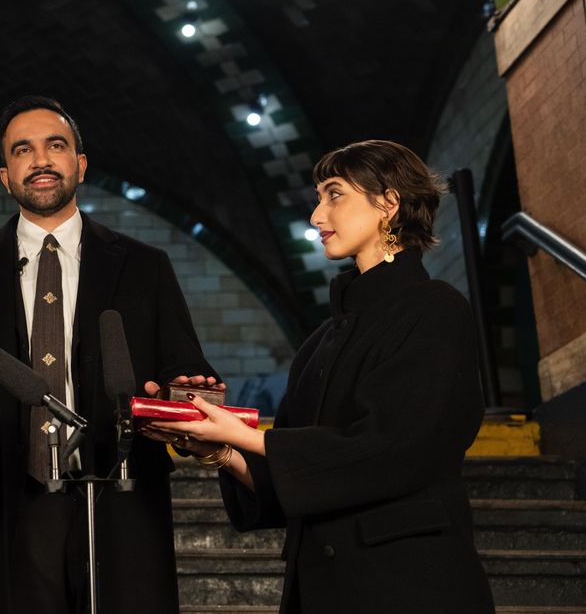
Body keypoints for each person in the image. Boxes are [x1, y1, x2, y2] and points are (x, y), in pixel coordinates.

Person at [0, 96, 219, 613]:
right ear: (5, 177)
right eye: (22, 150)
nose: (40, 159)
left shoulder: (146, 268)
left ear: (80, 163)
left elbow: (184, 374)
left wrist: (185, 399)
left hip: (116, 503)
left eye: (56, 145)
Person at [145, 140, 495, 613]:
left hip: (409, 586)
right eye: (319, 197)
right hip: (320, 591)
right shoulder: (318, 344)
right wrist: (219, 447)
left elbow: (392, 449)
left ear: (388, 203)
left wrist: (246, 437)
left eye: (334, 195)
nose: (316, 216)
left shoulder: (436, 310)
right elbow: (292, 481)